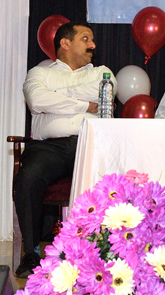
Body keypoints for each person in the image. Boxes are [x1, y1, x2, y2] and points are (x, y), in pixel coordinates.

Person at [14, 21, 111, 277]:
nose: (93, 45)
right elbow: (38, 100)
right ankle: (31, 253)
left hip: (90, 143)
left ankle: (102, 252)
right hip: (49, 148)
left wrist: (57, 94)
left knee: (111, 179)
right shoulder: (40, 73)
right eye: (85, 39)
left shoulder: (102, 73)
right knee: (28, 177)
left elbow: (104, 95)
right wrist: (84, 104)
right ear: (65, 43)